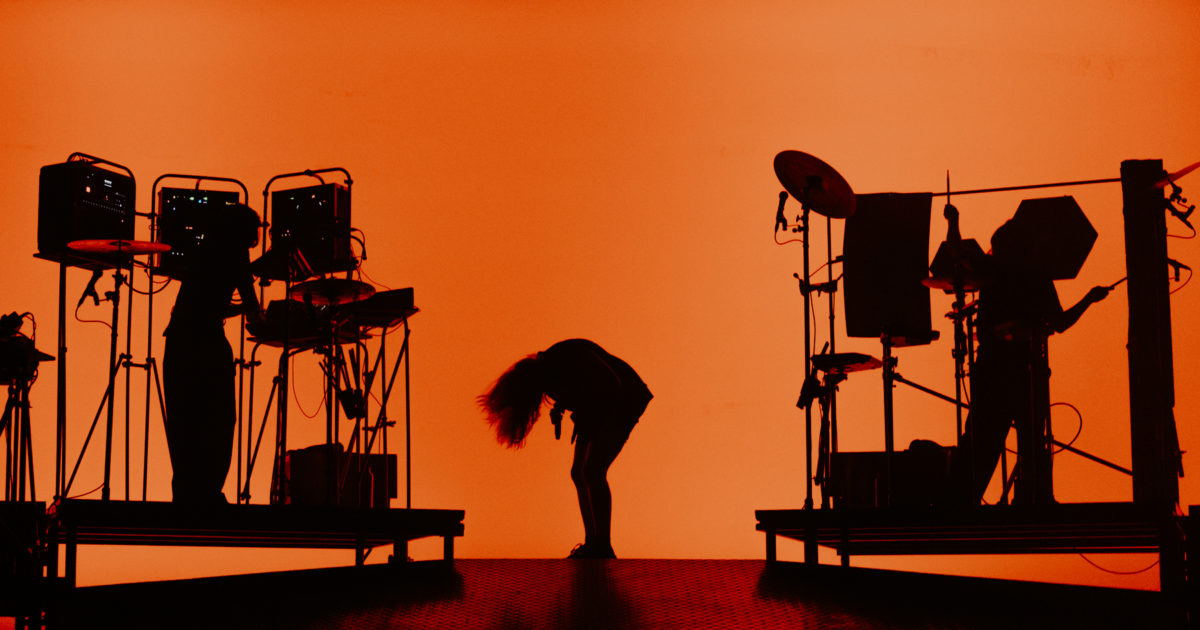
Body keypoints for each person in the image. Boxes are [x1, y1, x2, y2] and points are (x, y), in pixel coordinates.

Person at [957, 219, 1110, 505]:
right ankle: (1033, 498)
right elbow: (1060, 322)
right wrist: (1089, 299)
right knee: (1030, 441)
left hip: (994, 372)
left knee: (984, 439)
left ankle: (966, 499)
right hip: (1023, 370)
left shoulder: (991, 278)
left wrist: (954, 223)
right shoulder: (1037, 278)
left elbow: (985, 331)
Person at [479, 339, 652, 559]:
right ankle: (592, 542)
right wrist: (567, 405)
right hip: (597, 408)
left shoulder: (563, 358)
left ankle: (602, 545)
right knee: (578, 472)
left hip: (625, 399)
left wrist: (588, 415)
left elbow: (610, 384)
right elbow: (582, 385)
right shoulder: (551, 372)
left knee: (593, 470)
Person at [163, 203, 264, 504]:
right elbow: (252, 309)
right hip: (206, 342)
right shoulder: (237, 252)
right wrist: (262, 316)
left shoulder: (205, 250)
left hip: (179, 341)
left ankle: (187, 497)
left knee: (184, 423)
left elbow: (208, 302)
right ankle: (208, 494)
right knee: (218, 420)